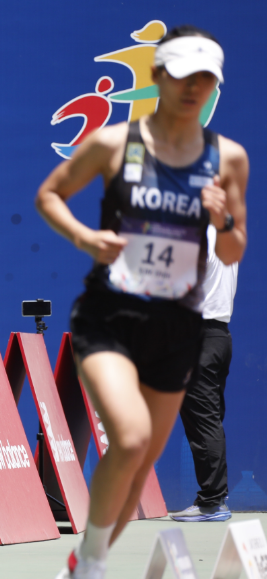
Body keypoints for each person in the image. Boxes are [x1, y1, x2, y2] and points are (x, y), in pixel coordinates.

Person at [36, 26, 247, 579]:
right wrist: (86, 237)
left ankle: (86, 558)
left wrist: (223, 219)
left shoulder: (228, 159)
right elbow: (49, 194)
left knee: (140, 457)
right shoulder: (113, 143)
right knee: (129, 439)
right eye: (182, 75)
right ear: (157, 76)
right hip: (111, 318)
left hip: (179, 330)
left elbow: (233, 248)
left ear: (215, 85)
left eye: (205, 78)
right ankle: (91, 563)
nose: (193, 88)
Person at [170, 223, 238, 522]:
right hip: (219, 337)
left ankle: (212, 503)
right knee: (209, 419)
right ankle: (215, 498)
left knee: (204, 422)